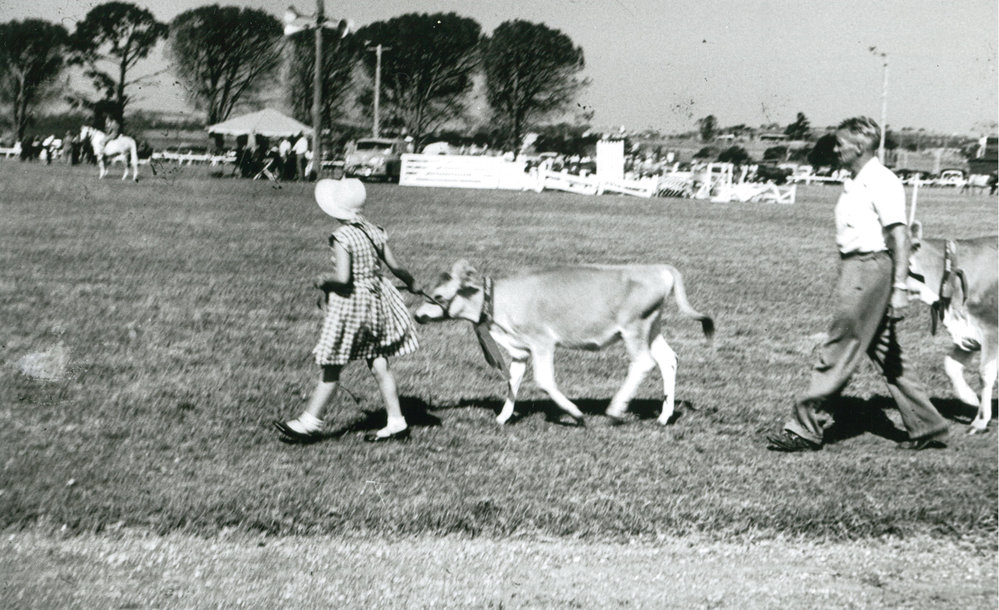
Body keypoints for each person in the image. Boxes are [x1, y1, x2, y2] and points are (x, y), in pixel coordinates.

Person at [766, 116, 950, 452]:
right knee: (888, 355)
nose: (835, 149)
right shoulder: (856, 180)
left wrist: (899, 288)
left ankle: (805, 428)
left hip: (869, 270)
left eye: (840, 143)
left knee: (838, 349)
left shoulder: (881, 180)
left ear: (860, 146)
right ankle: (929, 427)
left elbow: (899, 235)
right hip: (856, 268)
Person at [275, 179, 421, 443]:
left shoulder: (342, 236)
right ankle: (397, 421)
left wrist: (323, 280)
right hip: (376, 303)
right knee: (379, 362)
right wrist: (411, 282)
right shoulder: (375, 230)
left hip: (351, 305)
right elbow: (396, 266)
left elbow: (343, 279)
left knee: (332, 365)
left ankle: (309, 424)